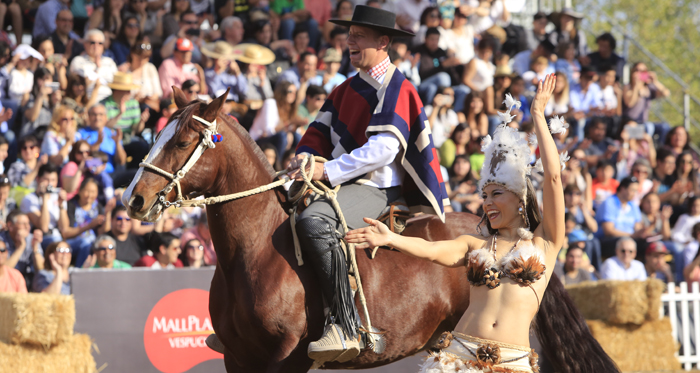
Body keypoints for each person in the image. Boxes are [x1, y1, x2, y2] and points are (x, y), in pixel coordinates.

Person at [347, 74, 566, 372]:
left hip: (513, 364)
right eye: (484, 195)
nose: (487, 202)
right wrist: (391, 239)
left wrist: (538, 114)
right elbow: (432, 251)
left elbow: (553, 178)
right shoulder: (474, 244)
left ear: (520, 198)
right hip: (458, 359)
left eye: (496, 194)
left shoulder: (546, 242)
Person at [283, 5, 448, 363]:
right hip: (343, 182)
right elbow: (318, 133)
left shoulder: (398, 86)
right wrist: (305, 159)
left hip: (379, 189)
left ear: (384, 41)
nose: (349, 40)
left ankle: (345, 323)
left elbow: (384, 149)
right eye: (349, 34)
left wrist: (326, 172)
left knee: (314, 221)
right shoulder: (345, 89)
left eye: (358, 35)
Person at [58, 178, 115, 267]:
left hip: (93, 243)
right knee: (86, 242)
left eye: (93, 192)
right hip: (74, 242)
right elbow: (66, 233)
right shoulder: (71, 206)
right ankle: (79, 271)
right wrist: (89, 225)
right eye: (87, 191)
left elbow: (103, 233)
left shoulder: (97, 207)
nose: (89, 195)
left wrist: (108, 213)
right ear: (80, 191)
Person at [596, 176, 643, 257]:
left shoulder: (633, 206)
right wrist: (631, 235)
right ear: (622, 188)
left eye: (636, 191)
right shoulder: (609, 203)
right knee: (625, 244)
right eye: (632, 190)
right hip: (609, 241)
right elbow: (608, 231)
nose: (634, 194)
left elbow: (638, 228)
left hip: (629, 239)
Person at [68, 30, 118, 102]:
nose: (96, 46)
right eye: (92, 42)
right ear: (85, 44)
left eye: (100, 43)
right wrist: (98, 68)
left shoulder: (109, 62)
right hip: (88, 100)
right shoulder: (78, 61)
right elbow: (82, 85)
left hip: (109, 101)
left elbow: (116, 83)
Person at [21, 163, 64, 246]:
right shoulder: (28, 199)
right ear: (38, 179)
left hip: (58, 237)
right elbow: (43, 227)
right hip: (39, 240)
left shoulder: (58, 197)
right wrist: (44, 196)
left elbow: (64, 229)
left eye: (53, 180)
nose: (50, 184)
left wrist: (61, 205)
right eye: (46, 179)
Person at [78, 104, 127, 175]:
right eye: (94, 114)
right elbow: (82, 157)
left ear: (105, 117)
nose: (97, 118)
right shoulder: (81, 134)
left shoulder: (112, 134)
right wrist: (97, 143)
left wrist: (117, 143)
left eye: (100, 114)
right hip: (92, 173)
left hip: (112, 174)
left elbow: (121, 161)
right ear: (88, 116)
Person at [2, 210, 44, 289]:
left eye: (28, 223)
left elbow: (40, 268)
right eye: (23, 224)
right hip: (8, 280)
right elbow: (4, 270)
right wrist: (20, 247)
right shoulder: (1, 241)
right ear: (10, 226)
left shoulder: (31, 239)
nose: (27, 227)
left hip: (26, 278)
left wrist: (35, 247)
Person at [118, 38, 162, 111]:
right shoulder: (123, 69)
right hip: (128, 107)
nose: (142, 60)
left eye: (145, 57)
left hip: (148, 108)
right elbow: (119, 95)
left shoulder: (150, 68)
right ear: (132, 54)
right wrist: (134, 99)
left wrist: (146, 98)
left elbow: (157, 93)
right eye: (139, 57)